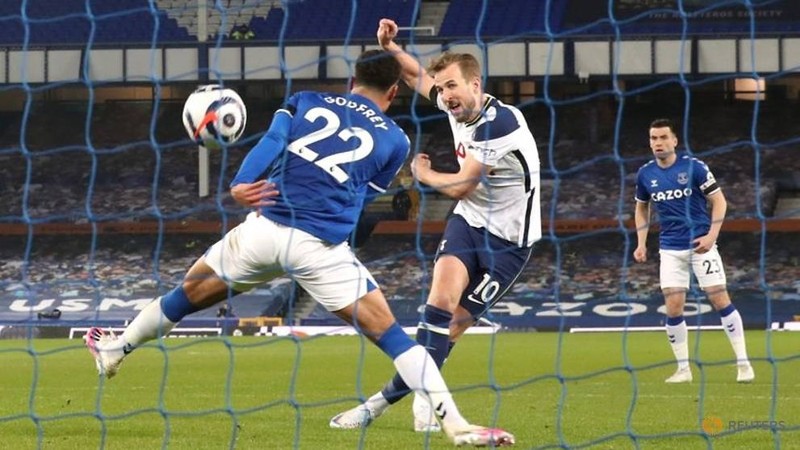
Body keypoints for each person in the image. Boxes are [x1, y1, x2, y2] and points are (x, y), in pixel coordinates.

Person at [84, 49, 514, 447]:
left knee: (183, 296)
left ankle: (115, 349)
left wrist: (239, 185)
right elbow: (364, 199)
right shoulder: (397, 140)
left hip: (264, 231)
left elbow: (271, 143)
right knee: (397, 340)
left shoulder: (304, 99)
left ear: (351, 80)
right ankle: (455, 425)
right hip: (321, 251)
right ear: (394, 92)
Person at [330, 19, 541, 433]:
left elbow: (463, 185)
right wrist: (390, 46)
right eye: (441, 89)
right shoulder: (452, 104)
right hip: (469, 223)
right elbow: (413, 74)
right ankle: (410, 406)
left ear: (475, 84)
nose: (445, 96)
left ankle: (378, 404)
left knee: (454, 326)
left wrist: (424, 175)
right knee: (438, 305)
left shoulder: (501, 123)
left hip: (510, 243)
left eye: (452, 87)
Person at [633, 118, 754, 384]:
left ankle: (744, 364)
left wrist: (712, 236)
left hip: (701, 246)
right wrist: (641, 242)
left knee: (719, 300)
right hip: (669, 249)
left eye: (663, 137)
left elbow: (720, 201)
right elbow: (642, 207)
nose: (658, 143)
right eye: (654, 138)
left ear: (674, 141)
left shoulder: (695, 167)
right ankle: (683, 370)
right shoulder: (645, 174)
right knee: (673, 308)